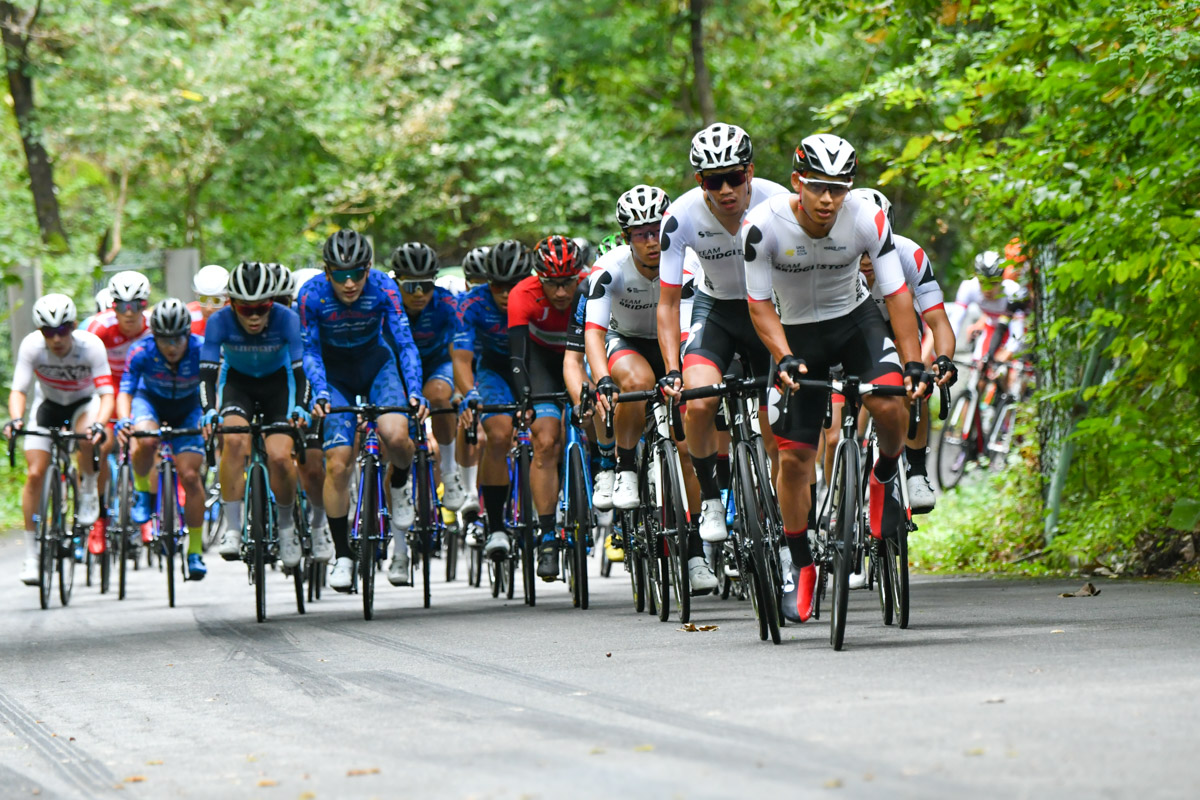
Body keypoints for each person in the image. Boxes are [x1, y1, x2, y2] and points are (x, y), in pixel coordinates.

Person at [742, 133, 928, 623]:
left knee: (891, 401)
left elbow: (897, 297)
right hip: (797, 337)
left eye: (839, 188)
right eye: (819, 187)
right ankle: (801, 563)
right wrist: (781, 357)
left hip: (855, 323)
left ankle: (884, 475)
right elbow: (759, 305)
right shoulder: (762, 227)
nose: (828, 199)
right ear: (797, 182)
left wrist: (912, 364)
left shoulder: (867, 219)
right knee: (795, 458)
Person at [656, 122, 789, 543]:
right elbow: (668, 303)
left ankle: (787, 527)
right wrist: (671, 368)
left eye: (735, 177)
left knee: (779, 437)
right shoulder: (680, 216)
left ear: (749, 171)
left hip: (769, 311)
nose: (727, 189)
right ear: (700, 181)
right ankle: (712, 498)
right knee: (698, 403)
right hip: (716, 312)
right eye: (715, 181)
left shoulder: (779, 202)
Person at [586, 185, 716, 591]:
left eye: (655, 230)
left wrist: (677, 372)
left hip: (674, 342)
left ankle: (695, 552)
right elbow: (593, 332)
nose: (649, 240)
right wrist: (602, 378)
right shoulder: (609, 268)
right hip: (625, 342)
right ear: (626, 237)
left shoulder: (687, 262)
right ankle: (625, 467)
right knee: (636, 382)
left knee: (685, 449)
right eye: (639, 233)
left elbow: (685, 325)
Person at [299, 230, 427, 591]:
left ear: (369, 269)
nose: (350, 282)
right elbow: (309, 350)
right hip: (335, 373)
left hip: (376, 366)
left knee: (397, 436)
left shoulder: (384, 288)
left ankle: (399, 483)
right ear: (327, 272)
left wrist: (415, 391)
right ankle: (343, 554)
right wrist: (320, 392)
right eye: (340, 274)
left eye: (357, 272)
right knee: (337, 462)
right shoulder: (310, 295)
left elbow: (404, 343)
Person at [841, 187, 958, 513]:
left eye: (872, 248)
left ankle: (916, 469)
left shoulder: (909, 254)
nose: (865, 260)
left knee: (915, 381)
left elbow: (938, 320)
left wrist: (943, 358)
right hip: (849, 331)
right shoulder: (833, 256)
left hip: (898, 329)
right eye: (858, 248)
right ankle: (842, 476)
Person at [201, 261, 309, 570]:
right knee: (233, 441)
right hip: (239, 385)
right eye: (245, 309)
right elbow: (207, 375)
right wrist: (209, 409)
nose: (254, 317)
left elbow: (300, 373)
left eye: (261, 308)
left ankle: (287, 528)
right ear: (230, 303)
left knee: (278, 456)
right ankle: (233, 528)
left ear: (272, 302)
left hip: (278, 385)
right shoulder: (219, 322)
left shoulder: (287, 319)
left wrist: (299, 406)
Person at [5, 295, 112, 585]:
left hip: (83, 403)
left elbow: (106, 394)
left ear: (74, 326)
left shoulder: (91, 346)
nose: (55, 339)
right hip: (48, 405)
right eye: (48, 332)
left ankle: (88, 487)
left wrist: (100, 423)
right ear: (40, 332)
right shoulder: (32, 346)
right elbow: (19, 390)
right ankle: (31, 555)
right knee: (36, 473)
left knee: (88, 438)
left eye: (62, 330)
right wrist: (15, 419)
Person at [115, 298, 209, 580]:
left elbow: (218, 384)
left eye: (178, 338)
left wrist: (211, 415)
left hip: (190, 406)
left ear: (187, 334)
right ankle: (143, 492)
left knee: (191, 476)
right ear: (154, 335)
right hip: (151, 402)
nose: (172, 346)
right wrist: (124, 421)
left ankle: (194, 551)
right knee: (144, 439)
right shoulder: (140, 350)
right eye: (165, 339)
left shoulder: (202, 348)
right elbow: (126, 390)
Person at [509, 235, 585, 579]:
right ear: (539, 278)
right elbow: (517, 355)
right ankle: (548, 535)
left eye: (568, 283)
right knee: (545, 441)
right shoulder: (522, 294)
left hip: (580, 356)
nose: (560, 293)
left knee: (600, 416)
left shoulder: (591, 286)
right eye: (552, 284)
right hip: (541, 363)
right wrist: (524, 397)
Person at [453, 240, 530, 560]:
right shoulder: (471, 304)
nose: (504, 291)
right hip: (493, 370)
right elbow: (460, 357)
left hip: (532, 364)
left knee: (550, 432)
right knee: (497, 436)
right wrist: (469, 393)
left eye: (512, 285)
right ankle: (497, 526)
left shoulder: (540, 296)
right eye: (496, 284)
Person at [389, 242, 468, 511]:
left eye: (427, 284)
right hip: (398, 369)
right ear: (397, 282)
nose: (420, 293)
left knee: (438, 397)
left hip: (436, 364)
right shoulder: (386, 304)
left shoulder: (446, 302)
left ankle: (449, 471)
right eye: (411, 286)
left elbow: (457, 349)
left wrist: (459, 389)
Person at [188, 264, 228, 336]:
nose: (208, 308)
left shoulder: (239, 316)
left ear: (228, 301)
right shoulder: (188, 315)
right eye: (203, 299)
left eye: (216, 301)